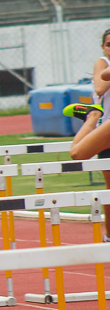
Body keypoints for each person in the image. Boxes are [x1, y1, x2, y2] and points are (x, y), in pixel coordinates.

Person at [63, 28, 110, 241]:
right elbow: (101, 85)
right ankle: (91, 116)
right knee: (77, 154)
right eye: (109, 44)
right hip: (105, 125)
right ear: (103, 47)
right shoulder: (102, 62)